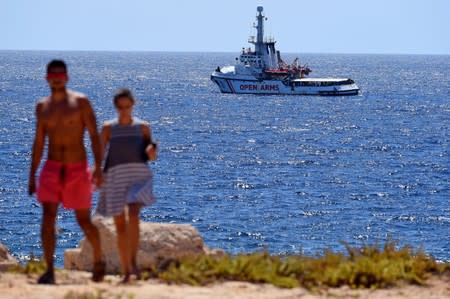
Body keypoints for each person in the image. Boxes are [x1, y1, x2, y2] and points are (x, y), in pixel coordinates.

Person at [28, 59, 105, 284]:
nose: (57, 78)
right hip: (51, 168)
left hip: (77, 169)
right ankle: (50, 269)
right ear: (47, 78)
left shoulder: (80, 102)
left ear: (67, 77)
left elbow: (93, 135)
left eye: (61, 74)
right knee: (48, 218)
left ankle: (99, 262)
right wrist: (32, 175)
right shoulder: (43, 107)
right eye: (53, 74)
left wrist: (98, 168)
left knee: (83, 220)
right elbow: (39, 142)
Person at [96, 88, 157, 283]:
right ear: (116, 107)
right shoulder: (108, 128)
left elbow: (151, 155)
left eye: (127, 106)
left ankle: (133, 264)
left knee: (133, 215)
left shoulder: (143, 127)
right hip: (114, 176)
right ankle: (127, 270)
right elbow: (99, 153)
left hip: (137, 176)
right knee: (120, 225)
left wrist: (152, 150)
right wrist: (97, 172)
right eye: (120, 107)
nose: (124, 110)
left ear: (133, 105)